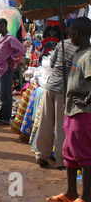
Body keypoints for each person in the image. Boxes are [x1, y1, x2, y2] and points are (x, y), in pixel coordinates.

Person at [46, 17, 91, 202]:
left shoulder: (88, 55)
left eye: (71, 31)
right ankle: (71, 192)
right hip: (71, 110)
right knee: (69, 152)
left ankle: (86, 198)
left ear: (78, 33)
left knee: (84, 154)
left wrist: (86, 100)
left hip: (83, 112)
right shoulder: (78, 52)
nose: (69, 35)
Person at [34, 39, 77, 168]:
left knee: (45, 121)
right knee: (61, 125)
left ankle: (41, 154)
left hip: (50, 86)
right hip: (62, 90)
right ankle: (61, 159)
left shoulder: (62, 43)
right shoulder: (82, 49)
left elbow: (51, 64)